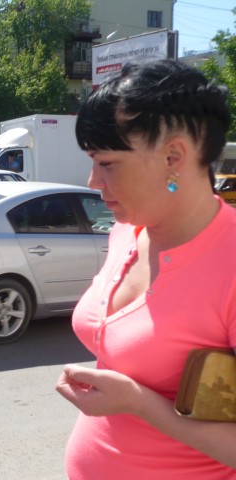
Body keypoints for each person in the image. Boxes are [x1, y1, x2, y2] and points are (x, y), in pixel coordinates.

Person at [55, 58, 236, 479]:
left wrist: (139, 402)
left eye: (107, 163)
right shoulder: (127, 231)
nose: (92, 182)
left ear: (174, 156)